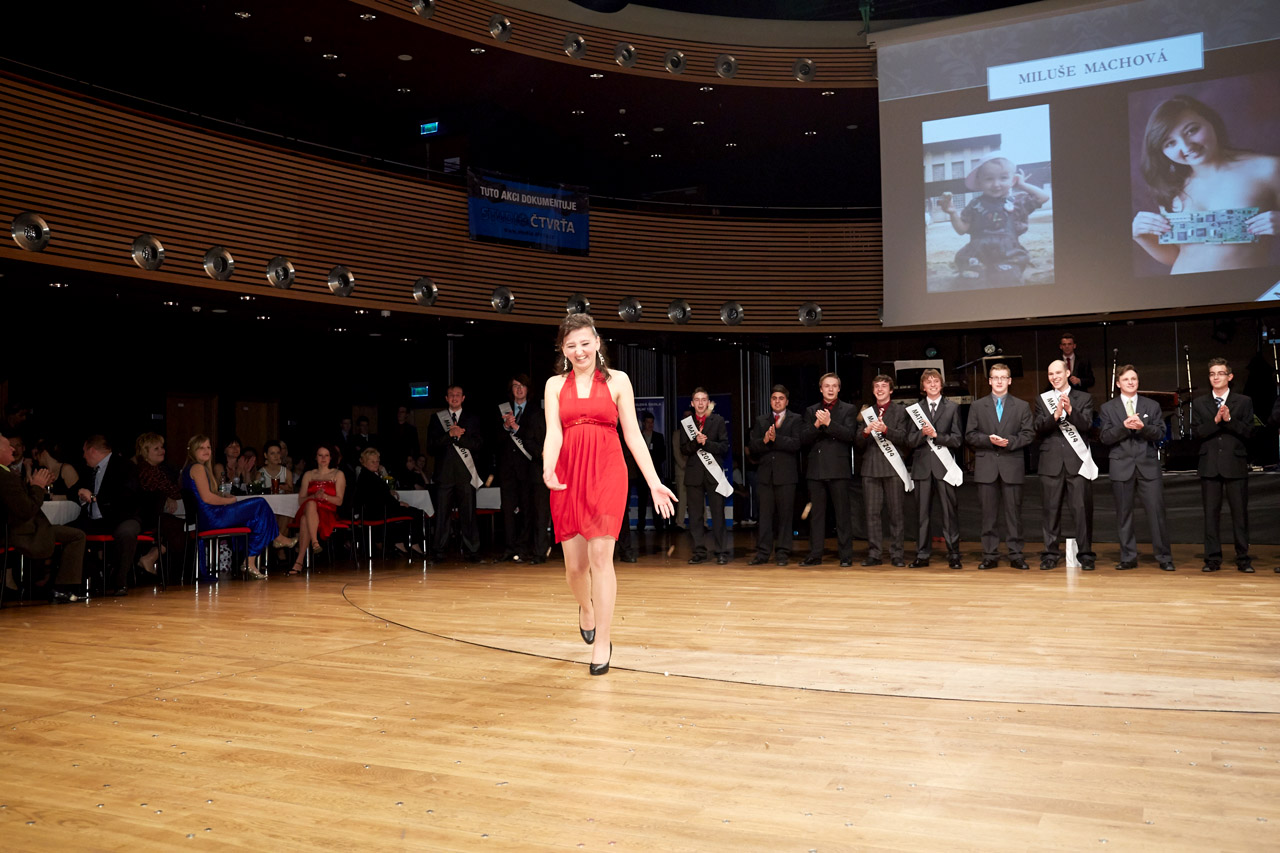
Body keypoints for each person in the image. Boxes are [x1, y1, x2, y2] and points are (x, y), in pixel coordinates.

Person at [543, 313, 675, 676]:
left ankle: (603, 640)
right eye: (571, 345)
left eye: (585, 343)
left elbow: (632, 434)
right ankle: (586, 607)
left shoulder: (619, 380)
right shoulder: (554, 385)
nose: (579, 351)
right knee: (575, 568)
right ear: (563, 349)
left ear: (597, 343)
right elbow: (553, 432)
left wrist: (653, 481)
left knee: (601, 557)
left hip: (606, 471)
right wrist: (548, 466)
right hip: (568, 474)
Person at [1132, 94, 1279, 275]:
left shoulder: (1268, 169)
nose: (1186, 146)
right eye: (1170, 143)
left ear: (1211, 122)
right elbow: (1178, 255)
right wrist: (1141, 237)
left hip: (1243, 288)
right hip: (1182, 289)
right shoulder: (1171, 186)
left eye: (1191, 130)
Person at [1098, 366, 1174, 571]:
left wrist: (1143, 427)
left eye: (1134, 379)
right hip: (1121, 465)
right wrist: (1124, 426)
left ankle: (1164, 557)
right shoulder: (1108, 408)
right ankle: (1128, 557)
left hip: (1148, 465)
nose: (1130, 382)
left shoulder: (1152, 405)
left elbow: (1161, 433)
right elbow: (1105, 437)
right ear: (1118, 383)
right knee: (1124, 514)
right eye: (1126, 379)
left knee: (1156, 513)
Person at [181, 434, 284, 580]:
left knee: (255, 518)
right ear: (192, 450)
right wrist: (229, 501)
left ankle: (251, 561)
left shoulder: (192, 468)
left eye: (208, 447)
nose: (206, 450)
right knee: (260, 503)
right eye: (201, 448)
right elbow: (207, 498)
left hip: (207, 517)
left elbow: (204, 495)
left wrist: (222, 496)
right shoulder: (197, 468)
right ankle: (275, 539)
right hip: (212, 518)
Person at [939, 151, 1051, 285]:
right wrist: (952, 213)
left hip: (1008, 253)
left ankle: (1003, 273)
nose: (996, 184)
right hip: (977, 253)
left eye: (1003, 178)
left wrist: (1022, 185)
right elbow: (961, 230)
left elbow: (1043, 197)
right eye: (989, 179)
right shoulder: (975, 204)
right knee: (970, 278)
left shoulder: (1017, 202)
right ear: (979, 182)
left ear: (1012, 180)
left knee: (1007, 277)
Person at [1, 431, 88, 603]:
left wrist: (36, 485)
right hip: (21, 532)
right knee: (76, 535)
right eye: (8, 446)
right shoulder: (5, 476)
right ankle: (61, 588)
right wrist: (38, 486)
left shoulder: (7, 473)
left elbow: (20, 502)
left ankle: (57, 586)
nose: (13, 449)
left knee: (76, 535)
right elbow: (27, 509)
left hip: (25, 527)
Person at [965, 363, 1034, 569]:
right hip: (986, 467)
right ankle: (990, 555)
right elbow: (970, 435)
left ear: (1010, 381)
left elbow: (1028, 434)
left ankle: (1016, 554)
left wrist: (1009, 442)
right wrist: (988, 440)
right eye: (995, 377)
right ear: (989, 381)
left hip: (1012, 465)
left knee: (1014, 515)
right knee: (988, 516)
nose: (999, 381)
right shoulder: (977, 406)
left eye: (1003, 377)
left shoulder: (1021, 406)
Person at [1193, 358, 1255, 573]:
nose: (1216, 377)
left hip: (1235, 463)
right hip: (1209, 465)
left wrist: (1229, 420)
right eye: (1212, 374)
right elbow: (1197, 433)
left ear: (1230, 376)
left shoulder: (1243, 401)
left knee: (1240, 514)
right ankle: (1212, 559)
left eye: (1220, 373)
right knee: (1211, 515)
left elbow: (1250, 432)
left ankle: (1243, 559)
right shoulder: (1200, 402)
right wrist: (1216, 421)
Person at [1034, 360, 1096, 570]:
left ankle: (1085, 555)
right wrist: (1055, 415)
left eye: (1058, 373)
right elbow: (1038, 427)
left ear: (1068, 373)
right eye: (1051, 374)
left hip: (1077, 462)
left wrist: (1070, 410)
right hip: (1050, 462)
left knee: (1082, 511)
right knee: (1050, 511)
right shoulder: (1042, 399)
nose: (1054, 377)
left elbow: (1087, 425)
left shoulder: (1084, 398)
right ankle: (1050, 554)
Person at [906, 368, 964, 569]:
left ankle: (954, 554)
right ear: (923, 386)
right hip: (922, 468)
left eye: (936, 381)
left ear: (941, 384)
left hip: (944, 468)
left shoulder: (952, 408)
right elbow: (909, 440)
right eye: (928, 382)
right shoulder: (915, 410)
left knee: (949, 513)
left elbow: (957, 439)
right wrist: (922, 434)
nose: (932, 384)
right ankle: (922, 554)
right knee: (922, 514)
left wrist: (937, 436)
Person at [800, 373, 857, 567]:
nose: (830, 389)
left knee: (842, 514)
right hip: (816, 469)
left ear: (839, 389)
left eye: (834, 386)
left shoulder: (848, 409)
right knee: (817, 515)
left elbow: (850, 435)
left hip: (838, 468)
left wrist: (829, 424)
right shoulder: (811, 410)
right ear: (821, 389)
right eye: (827, 386)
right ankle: (815, 554)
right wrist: (817, 425)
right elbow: (803, 439)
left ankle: (846, 556)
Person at [75, 434, 142, 596]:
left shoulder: (124, 465)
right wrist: (82, 495)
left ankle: (120, 581)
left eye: (84, 451)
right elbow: (75, 489)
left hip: (120, 517)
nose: (83, 456)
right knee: (68, 532)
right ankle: (82, 580)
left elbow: (127, 496)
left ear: (92, 450)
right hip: (95, 520)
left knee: (127, 531)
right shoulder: (88, 470)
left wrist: (94, 497)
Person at [855, 374, 910, 567]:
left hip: (893, 469)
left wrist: (886, 430)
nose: (880, 389)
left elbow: (904, 438)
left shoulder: (900, 411)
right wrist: (866, 432)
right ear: (873, 390)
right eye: (876, 386)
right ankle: (874, 554)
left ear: (891, 390)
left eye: (884, 386)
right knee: (872, 514)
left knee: (896, 514)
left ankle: (897, 554)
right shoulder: (867, 412)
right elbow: (858, 443)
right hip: (870, 468)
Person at [747, 385, 802, 566]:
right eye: (774, 398)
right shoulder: (761, 420)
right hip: (765, 476)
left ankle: (783, 552)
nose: (777, 401)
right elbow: (752, 447)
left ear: (787, 401)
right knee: (764, 516)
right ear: (770, 401)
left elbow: (796, 444)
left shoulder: (796, 419)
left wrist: (775, 439)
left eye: (781, 398)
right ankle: (763, 553)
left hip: (786, 476)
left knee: (785, 517)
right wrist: (764, 441)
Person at [427, 385, 484, 561]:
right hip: (444, 475)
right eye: (451, 395)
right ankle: (439, 551)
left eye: (458, 395)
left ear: (463, 398)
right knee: (442, 515)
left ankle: (472, 551)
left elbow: (478, 445)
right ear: (446, 398)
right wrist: (449, 435)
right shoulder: (437, 418)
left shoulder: (472, 419)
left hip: (465, 475)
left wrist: (459, 437)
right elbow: (431, 447)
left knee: (468, 515)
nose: (454, 397)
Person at [497, 374, 546, 563]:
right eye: (515, 385)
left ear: (528, 389)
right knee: (508, 511)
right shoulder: (503, 410)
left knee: (528, 511)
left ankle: (524, 548)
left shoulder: (536, 412)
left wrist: (517, 428)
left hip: (529, 470)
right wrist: (505, 427)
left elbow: (537, 438)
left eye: (522, 385)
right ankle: (509, 548)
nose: (519, 389)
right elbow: (493, 440)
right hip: (507, 471)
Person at [680, 388, 731, 565]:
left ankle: (721, 551)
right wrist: (696, 442)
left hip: (713, 474)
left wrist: (706, 443)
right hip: (694, 475)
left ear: (708, 403)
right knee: (695, 516)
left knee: (718, 514)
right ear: (692, 403)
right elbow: (683, 449)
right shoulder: (686, 424)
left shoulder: (718, 421)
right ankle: (699, 552)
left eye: (704, 400)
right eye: (697, 400)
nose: (700, 403)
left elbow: (724, 447)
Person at [132, 432, 183, 577]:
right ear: (145, 452)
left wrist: (168, 497)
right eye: (156, 448)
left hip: (157, 515)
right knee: (183, 527)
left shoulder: (157, 470)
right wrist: (167, 497)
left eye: (162, 447)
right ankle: (150, 558)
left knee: (183, 525)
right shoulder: (146, 471)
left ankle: (151, 558)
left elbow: (172, 492)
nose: (162, 451)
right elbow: (156, 496)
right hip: (147, 518)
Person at [290, 444, 347, 574]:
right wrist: (314, 496)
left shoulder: (338, 474)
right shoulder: (309, 474)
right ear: (315, 457)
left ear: (331, 457)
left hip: (327, 511)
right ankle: (315, 542)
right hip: (308, 508)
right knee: (310, 503)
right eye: (320, 455)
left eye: (326, 455)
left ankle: (299, 562)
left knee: (305, 520)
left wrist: (325, 497)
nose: (323, 458)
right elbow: (301, 500)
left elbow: (339, 501)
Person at [351, 447, 413, 556]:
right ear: (364, 462)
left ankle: (401, 543)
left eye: (377, 461)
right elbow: (379, 498)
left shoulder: (369, 475)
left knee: (408, 511)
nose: (376, 464)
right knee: (413, 512)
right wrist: (398, 503)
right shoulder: (368, 476)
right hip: (376, 512)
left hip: (377, 510)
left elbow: (381, 495)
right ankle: (404, 544)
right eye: (373, 462)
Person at [635, 412, 667, 532]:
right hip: (641, 474)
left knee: (656, 499)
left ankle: (658, 524)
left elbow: (663, 455)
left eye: (652, 422)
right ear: (643, 423)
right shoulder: (638, 436)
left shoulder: (659, 437)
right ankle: (641, 524)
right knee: (642, 500)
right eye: (648, 422)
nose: (650, 425)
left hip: (656, 472)